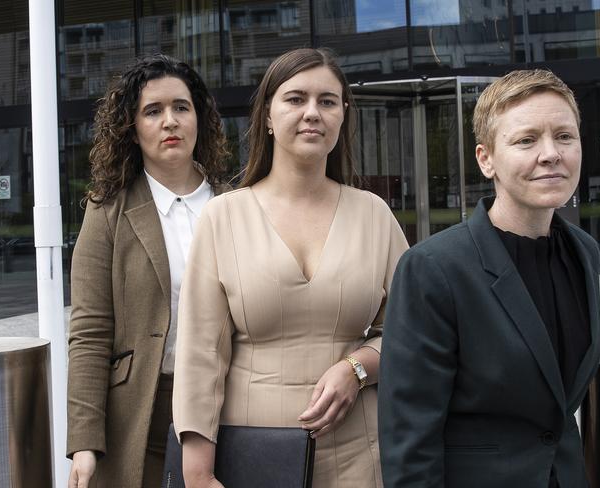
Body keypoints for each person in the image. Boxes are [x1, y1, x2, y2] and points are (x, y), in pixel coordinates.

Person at [172, 47, 409, 488]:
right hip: (253, 455)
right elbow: (201, 355)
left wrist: (357, 369)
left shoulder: (374, 215)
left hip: (360, 451)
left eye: (327, 101)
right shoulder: (223, 216)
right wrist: (199, 472)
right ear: (266, 115)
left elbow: (412, 331)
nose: (312, 113)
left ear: (342, 115)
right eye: (295, 99)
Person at [378, 69, 600, 488]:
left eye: (565, 136)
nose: (551, 153)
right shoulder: (433, 268)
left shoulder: (584, 253)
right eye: (526, 139)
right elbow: (409, 440)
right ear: (486, 159)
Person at [66, 53, 229, 488]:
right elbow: (89, 331)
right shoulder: (108, 212)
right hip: (142, 411)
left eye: (181, 107)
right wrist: (84, 441)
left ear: (200, 118)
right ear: (133, 130)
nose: (169, 121)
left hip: (230, 406)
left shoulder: (238, 202)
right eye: (152, 111)